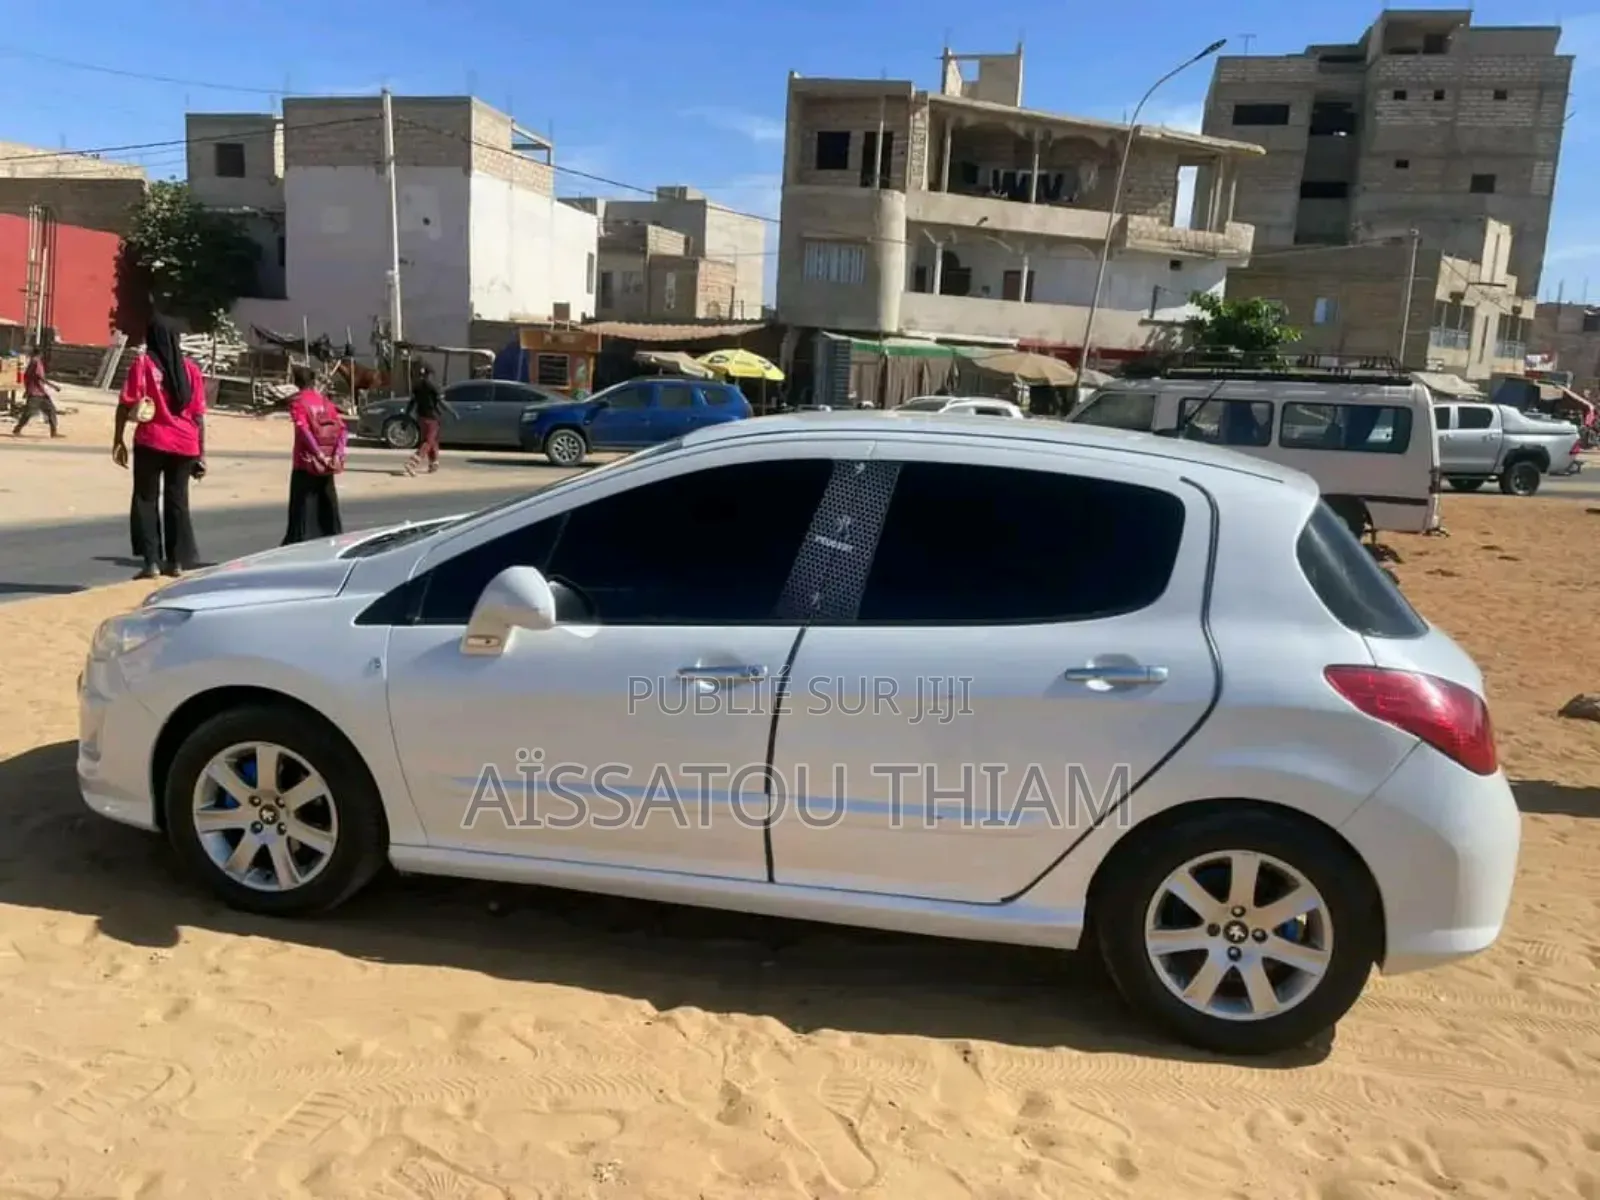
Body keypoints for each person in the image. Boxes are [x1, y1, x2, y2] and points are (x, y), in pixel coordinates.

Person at [114, 317, 207, 580]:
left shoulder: (143, 364)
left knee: (146, 500)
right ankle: (176, 562)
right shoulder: (191, 370)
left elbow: (125, 403)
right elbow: (199, 416)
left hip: (151, 441)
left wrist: (117, 439)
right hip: (186, 444)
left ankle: (152, 563)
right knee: (178, 502)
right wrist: (201, 454)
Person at [282, 364, 347, 545]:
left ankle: (301, 543)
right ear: (313, 381)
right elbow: (342, 430)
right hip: (328, 464)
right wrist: (336, 455)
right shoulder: (325, 402)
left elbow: (303, 430)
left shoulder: (298, 402)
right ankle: (331, 539)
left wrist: (318, 454)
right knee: (327, 505)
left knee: (303, 508)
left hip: (306, 463)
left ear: (296, 382)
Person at [403, 362, 454, 475]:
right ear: (429, 374)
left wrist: (406, 416)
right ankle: (412, 463)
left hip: (421, 417)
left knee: (433, 440)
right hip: (432, 418)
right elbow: (441, 402)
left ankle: (433, 463)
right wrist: (452, 412)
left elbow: (412, 402)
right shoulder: (433, 386)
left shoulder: (416, 386)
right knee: (428, 441)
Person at [12, 347, 64, 438]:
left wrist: (27, 389)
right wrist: (53, 386)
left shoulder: (32, 362)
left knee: (50, 410)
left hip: (40, 392)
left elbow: (27, 377)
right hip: (36, 393)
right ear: (40, 354)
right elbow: (39, 376)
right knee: (29, 412)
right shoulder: (36, 362)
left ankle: (53, 432)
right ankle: (17, 429)